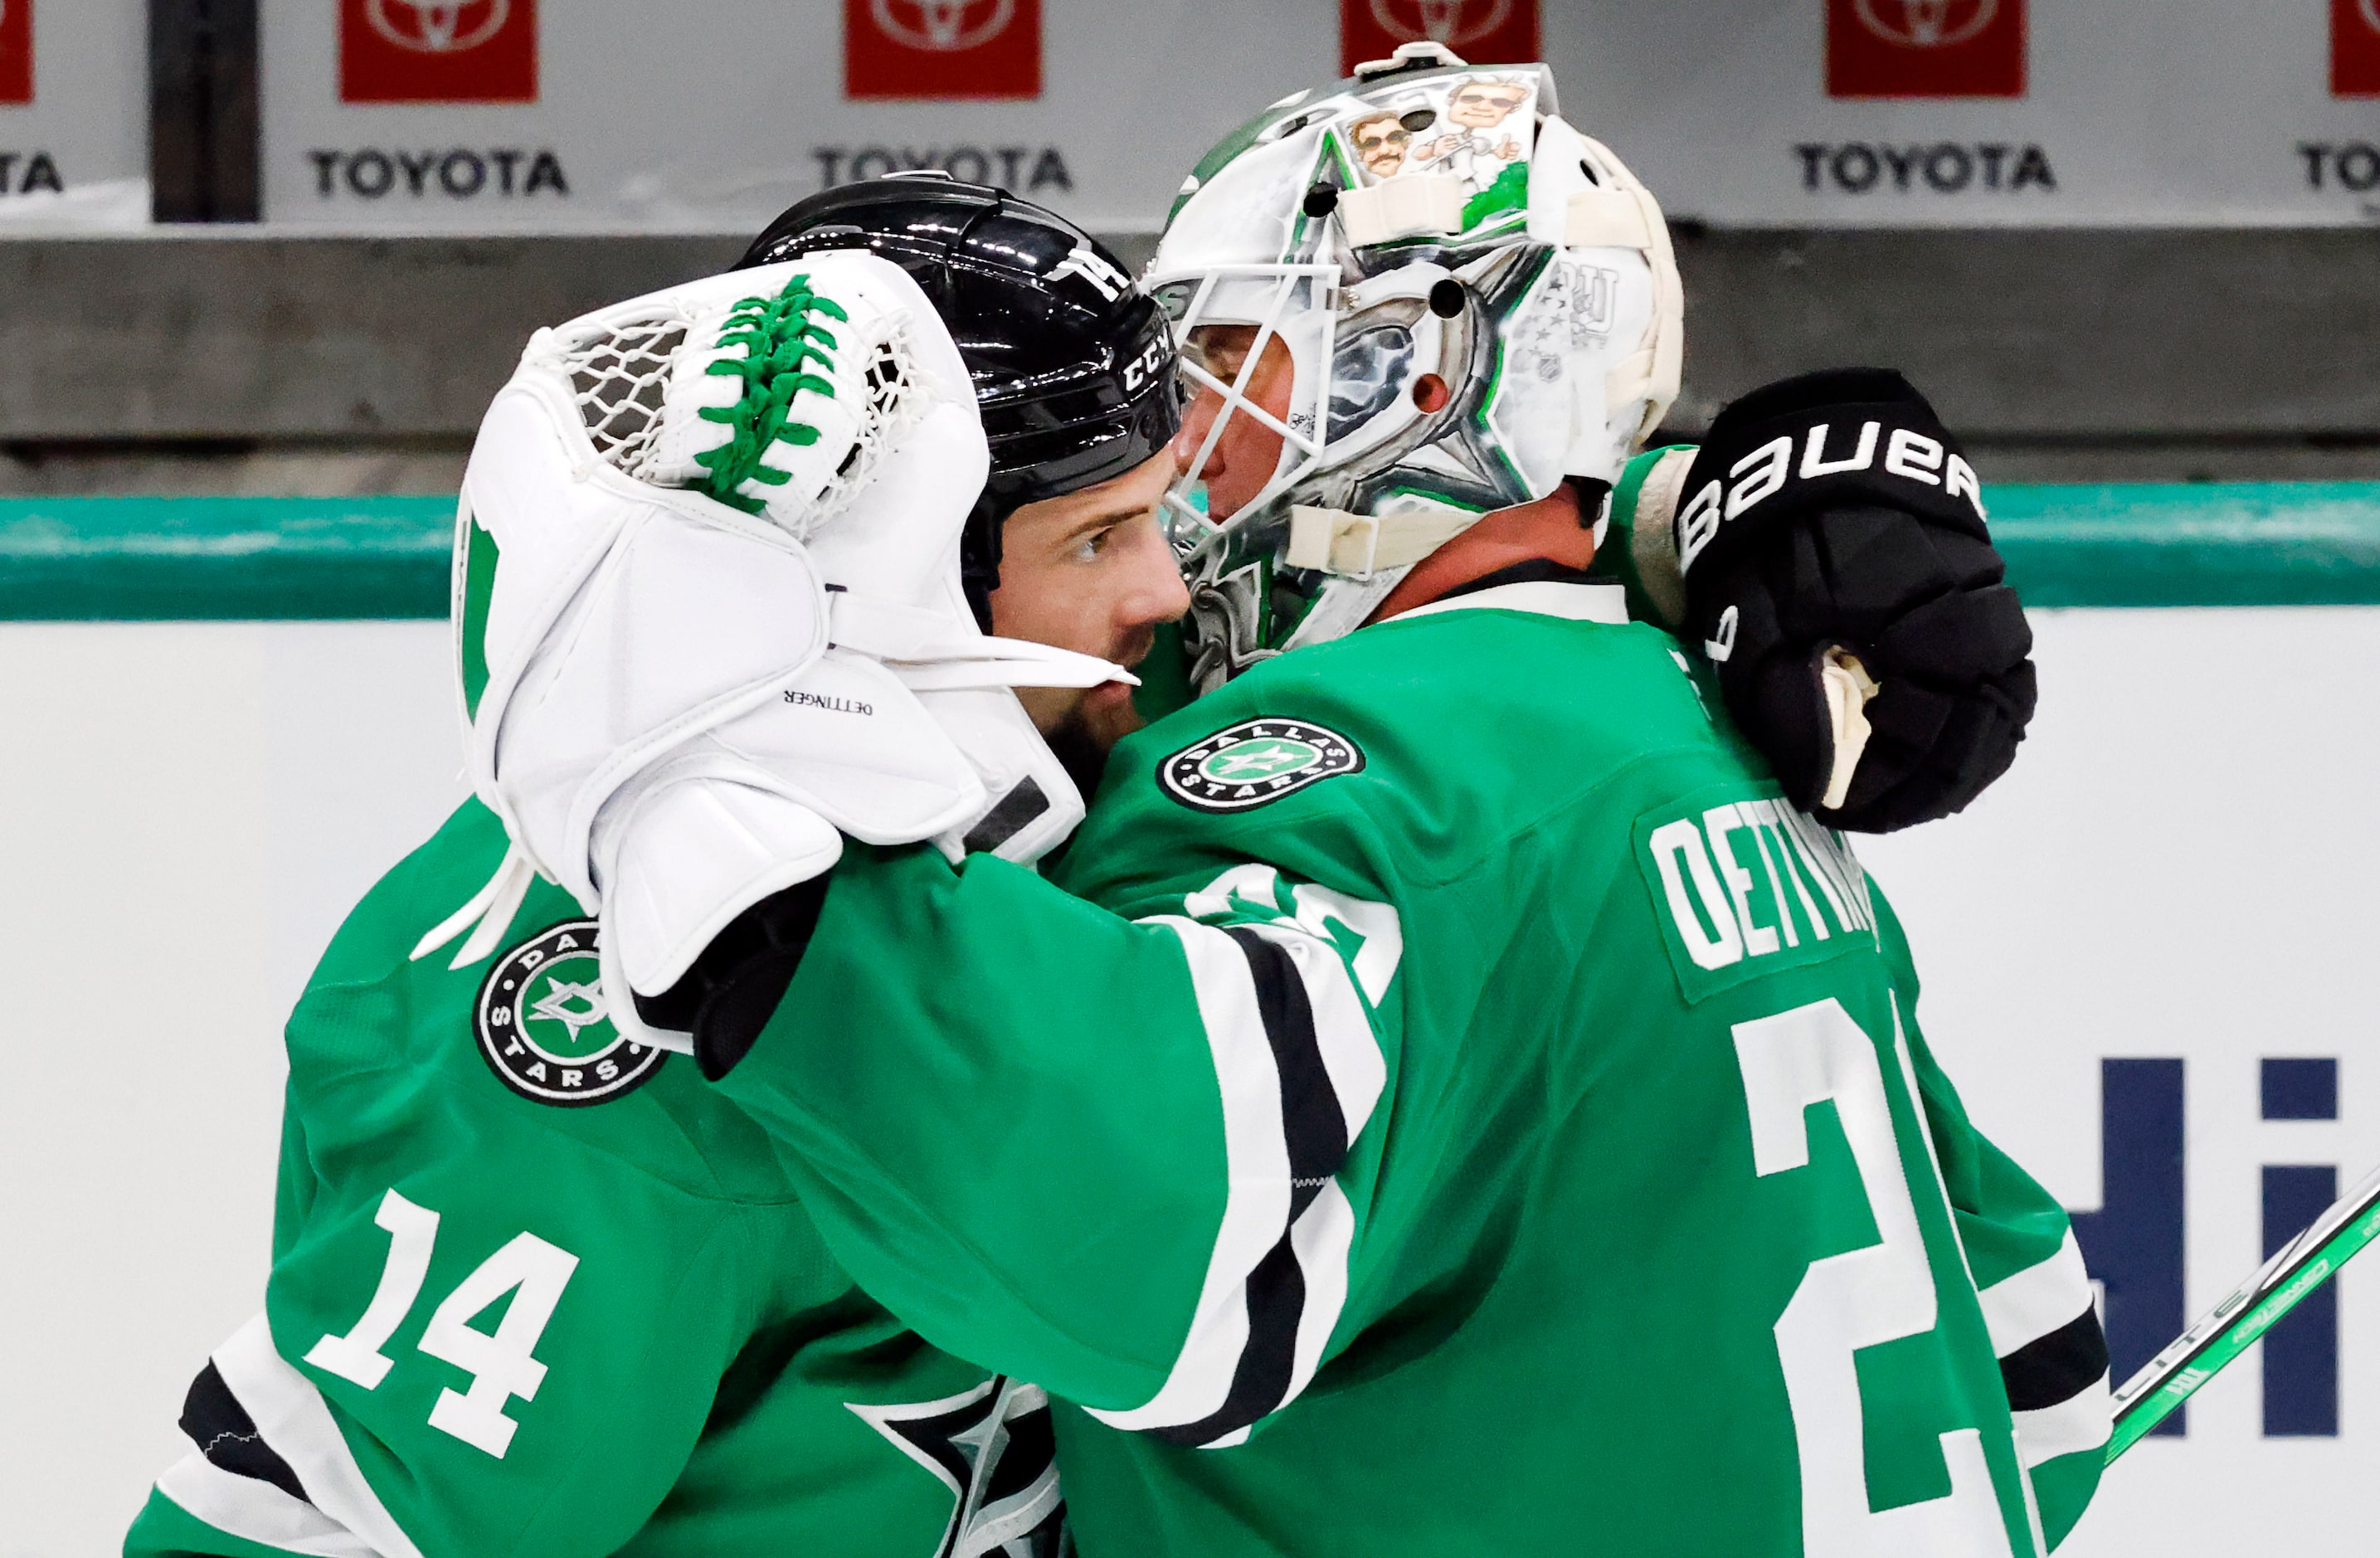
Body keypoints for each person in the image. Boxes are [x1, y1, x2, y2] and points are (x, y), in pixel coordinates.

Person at [602, 51, 2106, 1558]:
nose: (1187, 460)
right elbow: (2033, 1368)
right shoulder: (1703, 738)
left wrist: (766, 911)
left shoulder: (1350, 771)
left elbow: (1157, 1264)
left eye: (1237, 372)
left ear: (1422, 384)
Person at [122, 179, 1184, 1558]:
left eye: (1164, 512)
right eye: (1098, 537)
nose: (1164, 591)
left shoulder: (967, 851)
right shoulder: (607, 1062)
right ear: (887, 571)